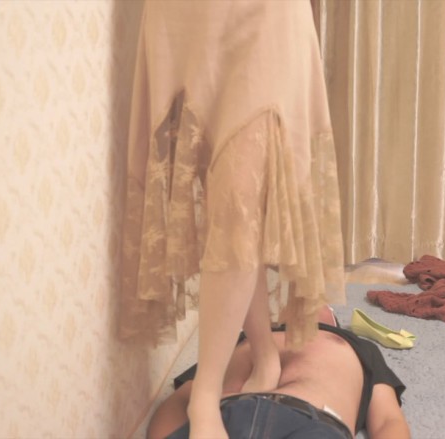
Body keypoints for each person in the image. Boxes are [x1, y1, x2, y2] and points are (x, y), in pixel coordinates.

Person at [120, 2, 345, 438]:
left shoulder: (351, 356)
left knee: (241, 193)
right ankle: (263, 351)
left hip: (266, 16)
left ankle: (206, 393)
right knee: (229, 203)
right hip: (185, 18)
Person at [147, 306, 410, 439]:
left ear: (333, 320)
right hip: (221, 421)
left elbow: (388, 421)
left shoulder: (360, 347)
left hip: (312, 423)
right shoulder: (237, 339)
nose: (301, 301)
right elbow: (183, 399)